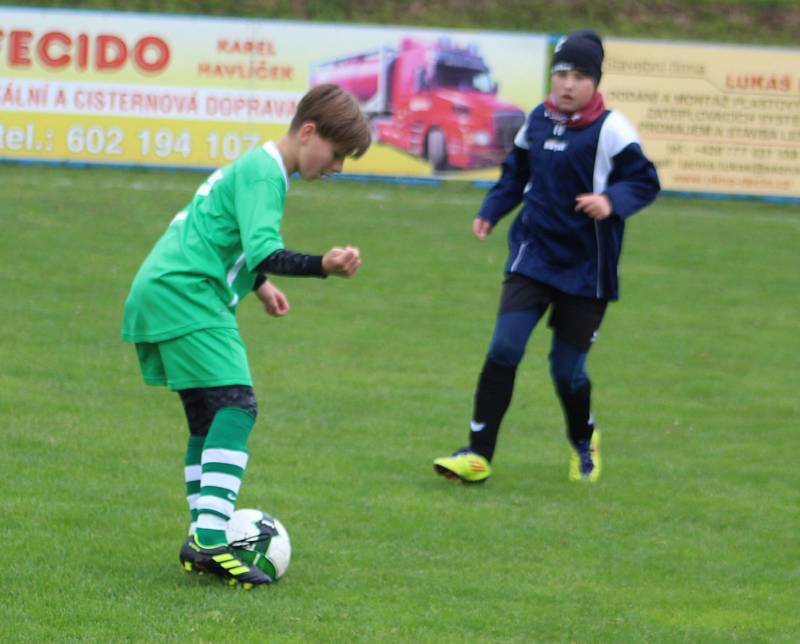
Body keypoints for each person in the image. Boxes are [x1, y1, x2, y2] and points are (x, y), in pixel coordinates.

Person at [121, 84, 370, 587]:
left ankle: (203, 534)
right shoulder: (267, 174)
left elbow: (222, 233)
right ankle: (210, 539)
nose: (337, 167)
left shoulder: (255, 165)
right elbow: (263, 249)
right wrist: (322, 265)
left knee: (207, 418)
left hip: (165, 287)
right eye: (337, 154)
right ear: (307, 132)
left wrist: (259, 287)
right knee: (238, 406)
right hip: (188, 293)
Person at [433, 30, 660, 484]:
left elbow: (645, 180)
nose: (568, 84)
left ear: (594, 82)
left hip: (586, 271)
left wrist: (611, 201)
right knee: (504, 348)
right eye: (561, 74)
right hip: (532, 257)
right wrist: (492, 210)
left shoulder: (612, 129)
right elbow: (515, 173)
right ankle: (477, 453)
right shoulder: (536, 120)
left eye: (579, 76)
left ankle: (583, 439)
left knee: (566, 370)